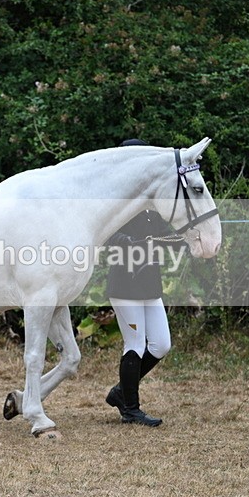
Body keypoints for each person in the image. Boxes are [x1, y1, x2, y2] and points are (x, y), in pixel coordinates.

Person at [104, 138, 184, 427]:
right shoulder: (117, 199)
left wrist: (182, 239)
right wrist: (122, 240)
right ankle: (130, 409)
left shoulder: (151, 205)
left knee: (161, 344)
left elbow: (166, 234)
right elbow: (103, 233)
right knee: (135, 344)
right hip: (125, 284)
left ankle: (120, 392)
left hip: (150, 284)